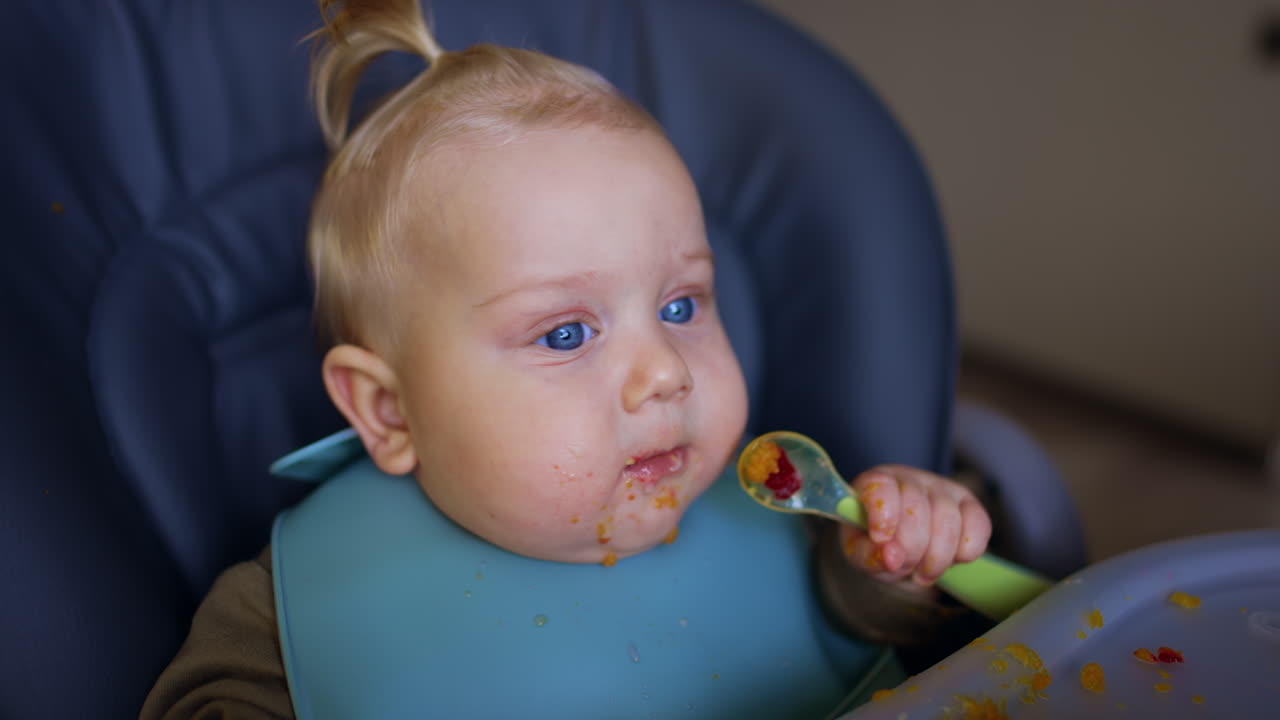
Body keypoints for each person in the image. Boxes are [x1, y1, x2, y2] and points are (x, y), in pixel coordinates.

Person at [140, 1, 993, 717]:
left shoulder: (789, 518)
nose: (666, 370)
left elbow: (897, 645)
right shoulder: (295, 609)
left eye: (679, 305)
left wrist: (901, 554)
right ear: (389, 413)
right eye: (564, 334)